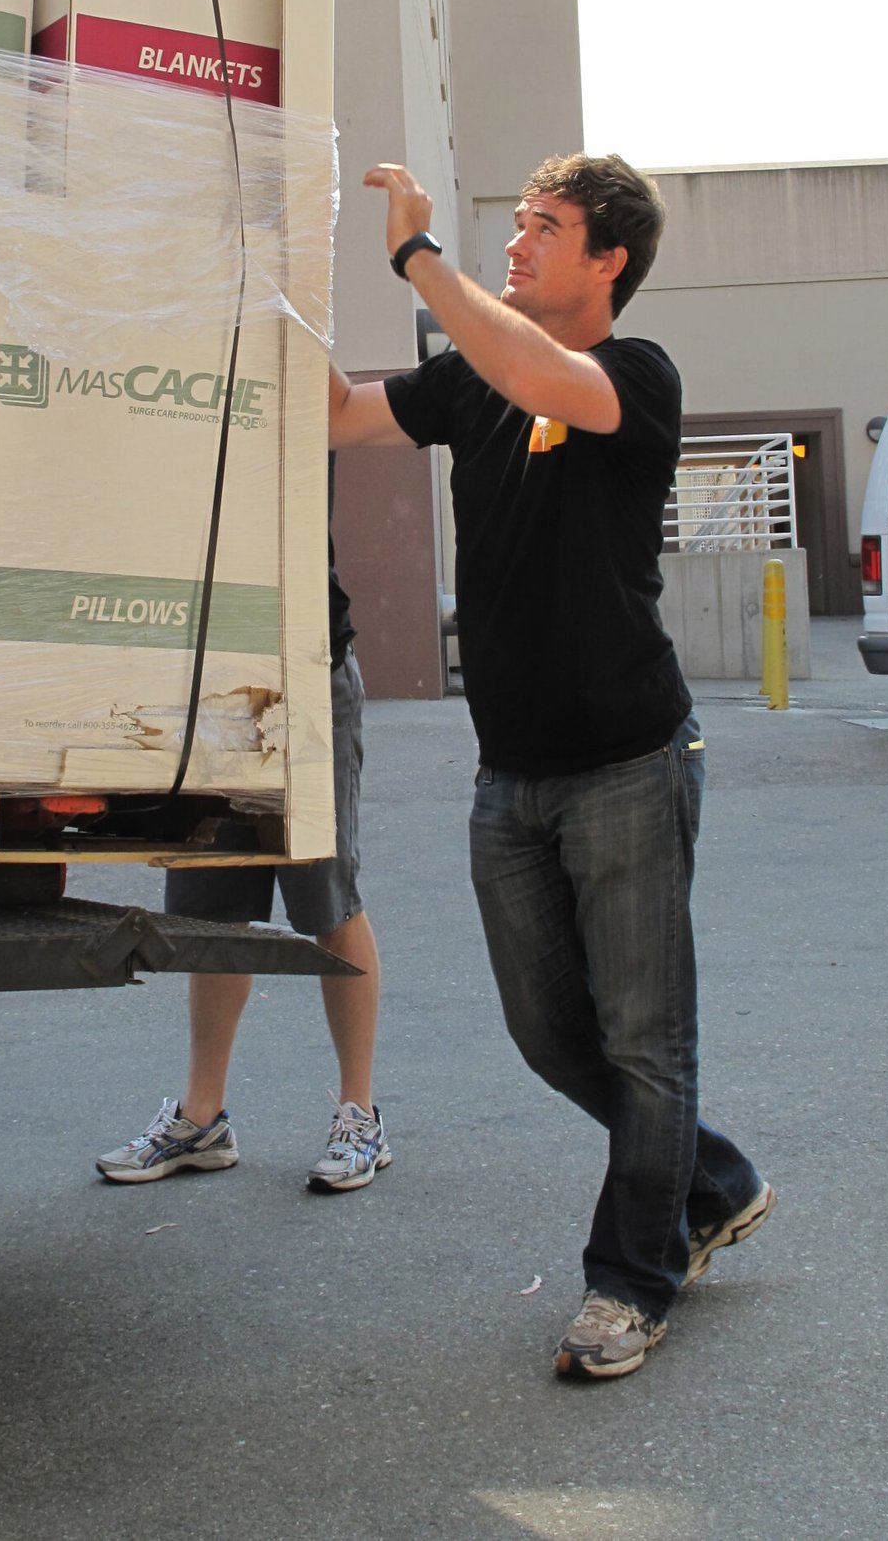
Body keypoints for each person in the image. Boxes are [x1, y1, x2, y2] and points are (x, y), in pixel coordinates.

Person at [329, 151, 770, 1378]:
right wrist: (269, 274)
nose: (517, 243)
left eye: (546, 227)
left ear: (609, 259)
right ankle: (716, 1180)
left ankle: (629, 1284)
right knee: (550, 1037)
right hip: (509, 772)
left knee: (643, 1040)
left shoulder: (632, 375)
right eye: (515, 224)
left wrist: (418, 256)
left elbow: (536, 375)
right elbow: (339, 414)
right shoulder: (472, 377)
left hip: (629, 760)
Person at [96, 475, 387, 1193]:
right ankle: (202, 1119)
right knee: (212, 909)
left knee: (329, 901)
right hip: (208, 678)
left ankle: (359, 1116)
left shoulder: (293, 409)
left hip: (305, 673)